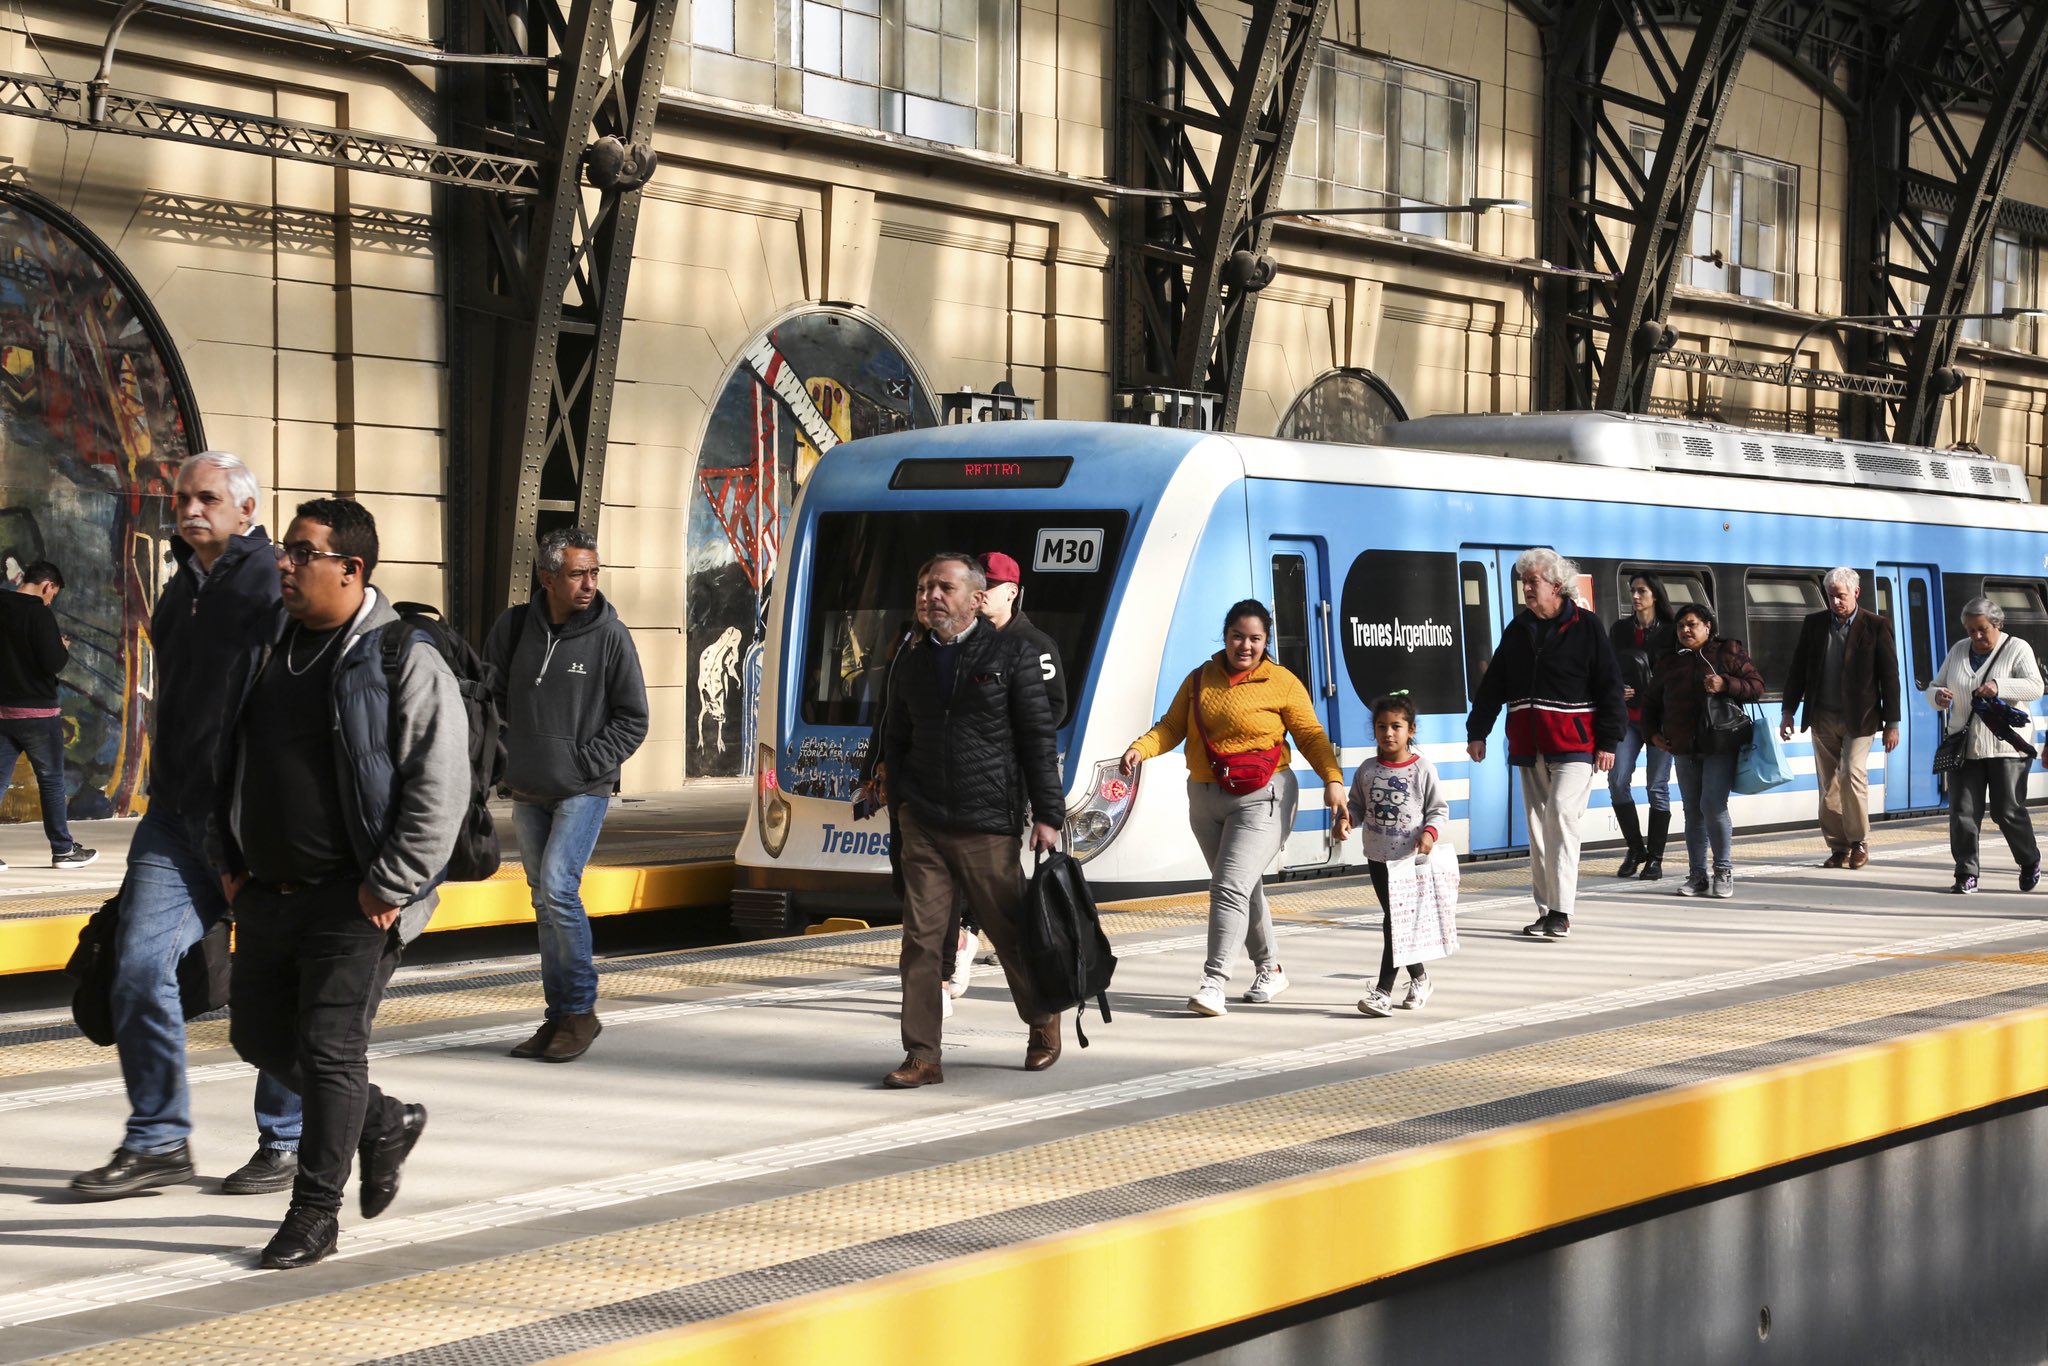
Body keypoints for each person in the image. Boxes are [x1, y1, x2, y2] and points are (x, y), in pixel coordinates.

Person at [211, 498, 465, 1268]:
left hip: (356, 898)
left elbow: (438, 781)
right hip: (265, 891)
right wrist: (228, 861)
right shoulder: (266, 649)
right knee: (257, 1034)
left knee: (328, 1049)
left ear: (351, 569)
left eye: (300, 553)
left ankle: (315, 1211)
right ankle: (382, 1121)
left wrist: (391, 885)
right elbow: (226, 757)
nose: (282, 565)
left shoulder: (401, 655)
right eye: (285, 552)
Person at [71, 454, 305, 1201]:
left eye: (207, 497)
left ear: (246, 510)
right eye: (182, 497)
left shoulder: (270, 584)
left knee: (274, 983)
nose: (189, 508)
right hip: (175, 817)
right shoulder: (181, 591)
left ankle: (288, 1138)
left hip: (251, 822)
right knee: (136, 968)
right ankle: (159, 1139)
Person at [878, 552, 1064, 1088]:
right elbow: (897, 735)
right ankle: (923, 1056)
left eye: (942, 587)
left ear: (975, 598)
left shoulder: (1014, 654)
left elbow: (1037, 739)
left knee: (1010, 933)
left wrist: (1047, 814)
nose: (929, 596)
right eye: (922, 587)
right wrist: (901, 800)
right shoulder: (909, 661)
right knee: (921, 939)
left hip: (988, 821)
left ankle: (1042, 1018)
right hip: (925, 821)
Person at [1121, 599, 1346, 1016]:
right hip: (1205, 796)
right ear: (1224, 636)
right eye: (1237, 636)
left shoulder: (1281, 683)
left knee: (1228, 888)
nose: (1245, 645)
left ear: (1266, 642)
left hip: (1265, 796)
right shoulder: (1198, 680)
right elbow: (1171, 727)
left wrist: (1333, 781)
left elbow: (1312, 736)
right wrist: (1140, 750)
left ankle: (1213, 981)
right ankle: (1271, 967)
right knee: (1242, 887)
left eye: (1255, 639)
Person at [485, 526, 649, 1063]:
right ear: (547, 578)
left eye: (594, 573)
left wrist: (583, 763)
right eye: (577, 574)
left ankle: (580, 1011)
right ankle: (557, 1016)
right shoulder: (514, 628)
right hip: (528, 790)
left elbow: (633, 719)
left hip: (584, 789)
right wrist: (507, 757)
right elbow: (490, 698)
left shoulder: (610, 637)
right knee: (542, 900)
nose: (588, 584)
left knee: (558, 887)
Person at [1466, 548, 1626, 941]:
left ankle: (1561, 911)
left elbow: (1610, 686)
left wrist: (1608, 740)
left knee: (1560, 817)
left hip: (1574, 744)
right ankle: (1546, 910)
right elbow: (1494, 685)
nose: (1526, 589)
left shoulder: (1587, 627)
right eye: (1524, 583)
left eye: (1532, 582)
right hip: (1528, 743)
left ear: (1556, 585)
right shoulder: (1518, 630)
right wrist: (1478, 730)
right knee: (1538, 829)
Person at [1779, 567, 1900, 869]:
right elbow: (1797, 670)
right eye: (1831, 596)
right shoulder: (1815, 624)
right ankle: (1838, 846)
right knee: (1828, 784)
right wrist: (1787, 712)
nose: (1836, 602)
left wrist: (1892, 724)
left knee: (1851, 774)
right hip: (1822, 715)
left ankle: (1859, 841)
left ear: (1856, 593)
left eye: (1841, 596)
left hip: (1861, 718)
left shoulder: (1876, 625)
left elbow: (1890, 677)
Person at [1643, 603, 1764, 899]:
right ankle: (1697, 874)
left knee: (1712, 805)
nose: (1685, 630)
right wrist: (1652, 734)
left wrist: (1727, 684)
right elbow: (1651, 702)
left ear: (1708, 626)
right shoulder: (1669, 661)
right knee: (1692, 811)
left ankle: (1723, 869)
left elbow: (1757, 686)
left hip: (1720, 744)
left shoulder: (1727, 652)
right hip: (1683, 746)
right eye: (1681, 625)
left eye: (1692, 624)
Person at [1343, 695, 1449, 1018]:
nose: (1388, 733)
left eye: (1396, 727)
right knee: (1398, 924)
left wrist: (1429, 835)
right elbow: (1357, 805)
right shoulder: (1367, 770)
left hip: (1409, 861)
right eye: (1381, 727)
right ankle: (1420, 978)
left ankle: (1382, 992)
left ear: (1411, 730)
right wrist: (1346, 820)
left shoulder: (1422, 770)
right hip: (1376, 857)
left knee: (1395, 924)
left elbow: (1438, 810)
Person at [1927, 597, 2042, 894]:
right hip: (1963, 745)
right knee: (1962, 812)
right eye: (1970, 630)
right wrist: (1937, 696)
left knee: (2007, 811)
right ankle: (1966, 873)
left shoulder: (2017, 648)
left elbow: (2035, 686)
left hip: (2007, 746)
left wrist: (2000, 686)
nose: (1976, 636)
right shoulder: (1958, 650)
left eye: (1982, 630)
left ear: (1997, 625)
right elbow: (1935, 684)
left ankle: (2029, 860)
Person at [0, 561, 94, 870]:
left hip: (3, 711)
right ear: (47, 586)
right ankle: (63, 850)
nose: (51, 600)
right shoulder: (39, 613)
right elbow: (52, 663)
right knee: (52, 782)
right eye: (53, 594)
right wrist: (61, 646)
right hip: (38, 713)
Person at [1609, 573, 1675, 879]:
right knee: (1618, 781)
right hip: (1629, 720)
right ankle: (1635, 848)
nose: (1635, 596)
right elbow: (1607, 669)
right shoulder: (1620, 630)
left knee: (1656, 787)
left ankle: (1655, 858)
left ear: (1655, 596)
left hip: (1660, 721)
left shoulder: (1671, 632)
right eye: (1632, 591)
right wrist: (1616, 689)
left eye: (1641, 591)